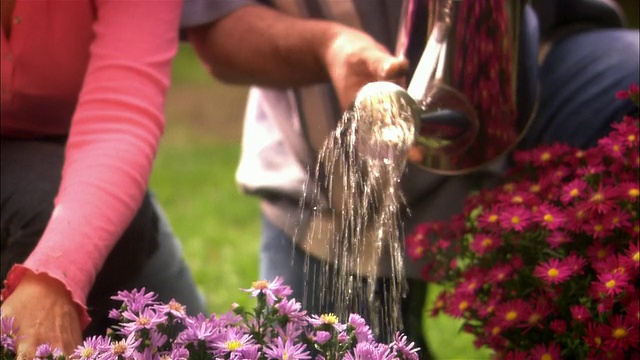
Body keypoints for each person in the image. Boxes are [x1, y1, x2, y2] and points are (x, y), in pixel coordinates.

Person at [182, 0, 639, 357]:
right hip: (336, 184)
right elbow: (219, 27)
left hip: (530, 94)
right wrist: (330, 47)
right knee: (333, 348)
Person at [0, 1, 207, 358]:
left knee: (199, 343)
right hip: (31, 183)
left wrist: (53, 276)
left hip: (77, 158)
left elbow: (120, 114)